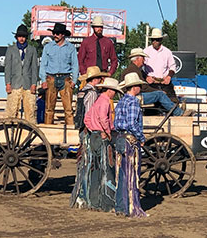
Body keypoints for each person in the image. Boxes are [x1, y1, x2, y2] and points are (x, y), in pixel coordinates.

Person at [70, 78, 122, 211]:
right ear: (110, 90)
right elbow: (104, 119)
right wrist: (107, 131)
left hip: (93, 135)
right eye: (114, 91)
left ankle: (93, 201)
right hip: (101, 136)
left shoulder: (98, 101)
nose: (114, 94)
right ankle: (106, 202)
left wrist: (93, 129)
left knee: (95, 168)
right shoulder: (105, 102)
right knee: (106, 169)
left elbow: (87, 118)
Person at [114, 72, 147, 218]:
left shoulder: (121, 101)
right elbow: (132, 123)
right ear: (134, 87)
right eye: (139, 85)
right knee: (132, 174)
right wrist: (141, 137)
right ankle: (131, 207)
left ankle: (120, 206)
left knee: (121, 174)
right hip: (130, 140)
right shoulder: (133, 102)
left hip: (120, 138)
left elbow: (116, 123)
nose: (140, 87)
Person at [121, 48, 183, 116]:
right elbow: (144, 88)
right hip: (135, 97)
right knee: (160, 94)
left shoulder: (133, 69)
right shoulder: (134, 70)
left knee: (159, 94)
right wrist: (158, 91)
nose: (144, 60)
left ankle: (171, 111)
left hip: (132, 96)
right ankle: (178, 113)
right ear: (138, 59)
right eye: (143, 58)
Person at [39, 23, 79, 125]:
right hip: (51, 78)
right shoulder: (48, 47)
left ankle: (70, 133)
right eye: (54, 33)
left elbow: (75, 65)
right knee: (49, 108)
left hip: (65, 78)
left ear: (63, 35)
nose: (55, 35)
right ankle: (48, 132)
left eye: (57, 33)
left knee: (68, 109)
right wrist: (43, 80)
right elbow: (43, 64)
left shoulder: (70, 48)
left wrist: (74, 80)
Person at [4, 24, 38, 123]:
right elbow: (7, 68)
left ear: (26, 37)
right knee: (12, 110)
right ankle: (10, 131)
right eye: (19, 36)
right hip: (15, 83)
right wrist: (8, 83)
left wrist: (34, 83)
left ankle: (30, 132)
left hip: (28, 83)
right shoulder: (11, 49)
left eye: (23, 36)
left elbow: (34, 68)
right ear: (16, 37)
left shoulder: (32, 50)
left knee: (30, 110)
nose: (21, 39)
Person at [143, 28, 179, 102]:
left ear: (161, 40)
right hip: (151, 83)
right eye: (153, 40)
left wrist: (169, 77)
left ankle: (177, 111)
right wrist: (146, 77)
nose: (154, 42)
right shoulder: (146, 51)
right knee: (151, 105)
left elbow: (172, 66)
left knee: (173, 101)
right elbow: (141, 67)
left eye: (157, 40)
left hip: (164, 82)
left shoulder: (167, 52)